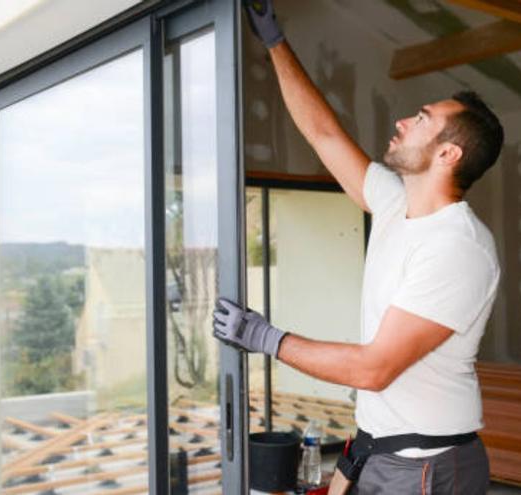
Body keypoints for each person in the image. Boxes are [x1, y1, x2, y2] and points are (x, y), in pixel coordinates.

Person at [212, 1, 504, 493]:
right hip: (379, 450)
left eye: (422, 119)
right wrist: (274, 42)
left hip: (426, 467)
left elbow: (374, 368)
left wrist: (267, 339)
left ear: (448, 154)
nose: (405, 122)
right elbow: (324, 135)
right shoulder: (396, 205)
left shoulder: (458, 247)